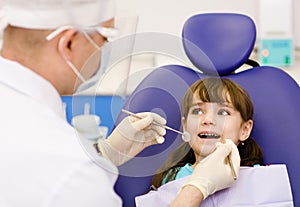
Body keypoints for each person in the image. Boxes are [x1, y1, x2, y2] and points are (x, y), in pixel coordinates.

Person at [0, 1, 240, 206]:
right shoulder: (71, 169)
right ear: (69, 43)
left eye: (223, 112)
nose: (105, 52)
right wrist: (196, 188)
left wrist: (105, 155)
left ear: (246, 128)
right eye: (105, 40)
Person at [151, 77, 263, 204]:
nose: (208, 119)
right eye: (197, 111)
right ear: (185, 126)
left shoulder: (257, 177)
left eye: (223, 112)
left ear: (244, 130)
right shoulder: (171, 178)